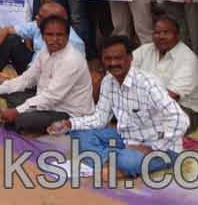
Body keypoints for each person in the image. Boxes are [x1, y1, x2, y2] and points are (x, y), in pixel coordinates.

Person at [50, 36, 190, 180]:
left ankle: (115, 163)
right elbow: (100, 119)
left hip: (161, 148)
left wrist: (153, 147)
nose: (113, 63)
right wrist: (69, 124)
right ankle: (111, 164)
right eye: (108, 59)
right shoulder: (108, 81)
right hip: (127, 138)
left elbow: (180, 119)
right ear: (102, 60)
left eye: (118, 58)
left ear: (130, 58)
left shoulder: (148, 83)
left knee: (128, 161)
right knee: (78, 134)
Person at [0, 14, 94, 134]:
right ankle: (15, 115)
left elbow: (52, 97)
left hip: (68, 111)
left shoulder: (72, 60)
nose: (54, 39)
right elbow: (26, 79)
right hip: (47, 101)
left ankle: (16, 119)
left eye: (59, 35)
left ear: (67, 36)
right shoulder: (44, 52)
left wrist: (17, 111)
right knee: (9, 94)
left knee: (24, 120)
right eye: (49, 34)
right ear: (43, 36)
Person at [0, 1, 86, 94]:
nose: (36, 17)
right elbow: (5, 30)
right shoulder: (38, 25)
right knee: (11, 39)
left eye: (40, 17)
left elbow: (63, 82)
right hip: (32, 71)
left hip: (51, 82)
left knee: (14, 104)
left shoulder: (74, 44)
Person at [132, 13, 198, 132]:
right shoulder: (146, 50)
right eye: (157, 33)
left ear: (178, 36)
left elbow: (170, 97)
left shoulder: (188, 59)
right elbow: (124, 71)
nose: (161, 36)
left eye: (166, 33)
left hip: (183, 109)